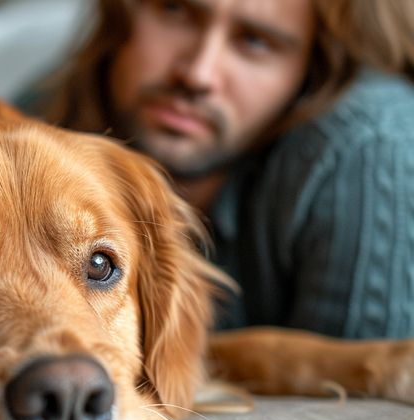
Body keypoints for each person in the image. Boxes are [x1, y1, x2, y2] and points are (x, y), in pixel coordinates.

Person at [24, 0, 414, 338]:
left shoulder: (366, 148)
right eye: (175, 10)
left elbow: (359, 416)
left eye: (255, 41)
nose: (197, 74)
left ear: (311, 73)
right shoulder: (42, 116)